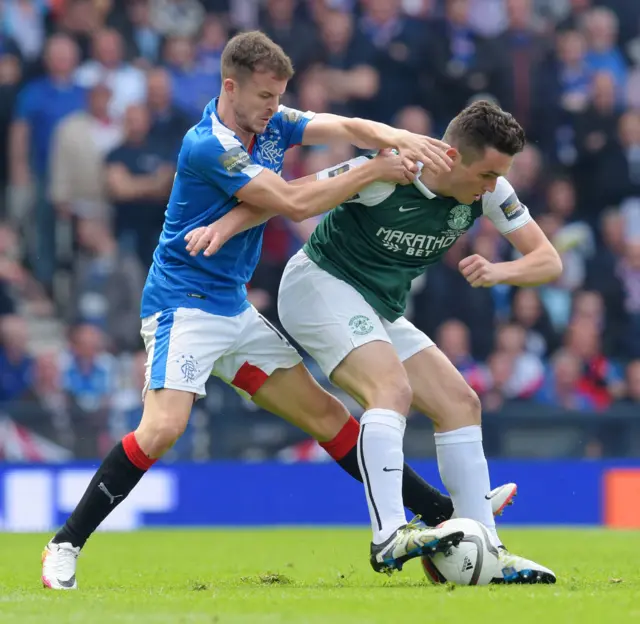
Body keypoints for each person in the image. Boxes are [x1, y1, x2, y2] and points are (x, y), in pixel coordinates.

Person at [41, 31, 508, 591]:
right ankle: (65, 544)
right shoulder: (208, 145)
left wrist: (406, 139)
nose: (273, 108)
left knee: (331, 420)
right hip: (183, 308)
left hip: (234, 312)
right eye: (265, 96)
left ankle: (438, 516)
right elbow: (292, 202)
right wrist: (372, 169)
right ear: (230, 87)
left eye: (279, 96)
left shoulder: (269, 121)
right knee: (164, 428)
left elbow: (348, 127)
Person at [196, 100, 561, 583]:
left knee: (460, 403)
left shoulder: (490, 193)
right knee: (391, 390)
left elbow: (548, 261)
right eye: (487, 174)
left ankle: (486, 551)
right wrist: (223, 226)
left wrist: (500, 271)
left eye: (500, 176)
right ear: (452, 156)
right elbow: (295, 196)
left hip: (379, 307)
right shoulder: (389, 172)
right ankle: (389, 534)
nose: (493, 186)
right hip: (318, 286)